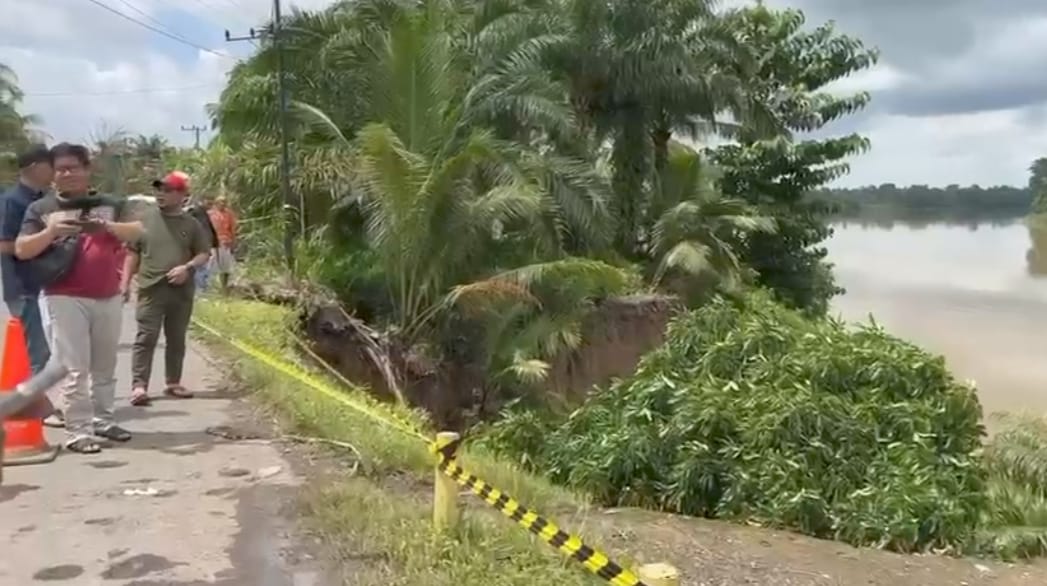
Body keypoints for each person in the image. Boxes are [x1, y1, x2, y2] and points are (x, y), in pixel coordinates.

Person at [15, 143, 144, 454]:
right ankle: (78, 430)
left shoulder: (111, 203)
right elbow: (21, 249)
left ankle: (103, 419)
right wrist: (51, 231)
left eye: (74, 167)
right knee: (75, 367)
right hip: (63, 295)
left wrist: (107, 226)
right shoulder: (42, 209)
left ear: (88, 169)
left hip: (107, 294)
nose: (67, 173)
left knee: (105, 365)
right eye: (60, 169)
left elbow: (138, 232)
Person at [124, 172, 210, 406]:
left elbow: (204, 253)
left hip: (180, 291)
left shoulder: (191, 224)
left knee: (176, 337)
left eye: (168, 190)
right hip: (151, 289)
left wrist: (188, 268)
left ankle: (173, 382)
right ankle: (139, 386)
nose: (161, 194)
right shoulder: (144, 219)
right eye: (159, 189)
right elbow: (133, 253)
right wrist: (124, 284)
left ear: (182, 195)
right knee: (146, 337)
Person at [0, 145, 58, 424]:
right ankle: (38, 408)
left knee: (45, 348)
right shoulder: (13, 201)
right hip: (22, 286)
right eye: (52, 165)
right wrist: (38, 244)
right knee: (37, 350)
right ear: (36, 166)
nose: (56, 171)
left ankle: (36, 404)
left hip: (43, 285)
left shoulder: (43, 199)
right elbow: (4, 244)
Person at [206, 195, 237, 291]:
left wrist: (233, 242)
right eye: (220, 202)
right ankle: (208, 287)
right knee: (210, 266)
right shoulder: (210, 214)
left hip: (225, 242)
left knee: (225, 266)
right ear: (216, 203)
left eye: (224, 202)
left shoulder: (229, 214)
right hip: (213, 242)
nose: (222, 204)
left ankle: (224, 287)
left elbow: (232, 229)